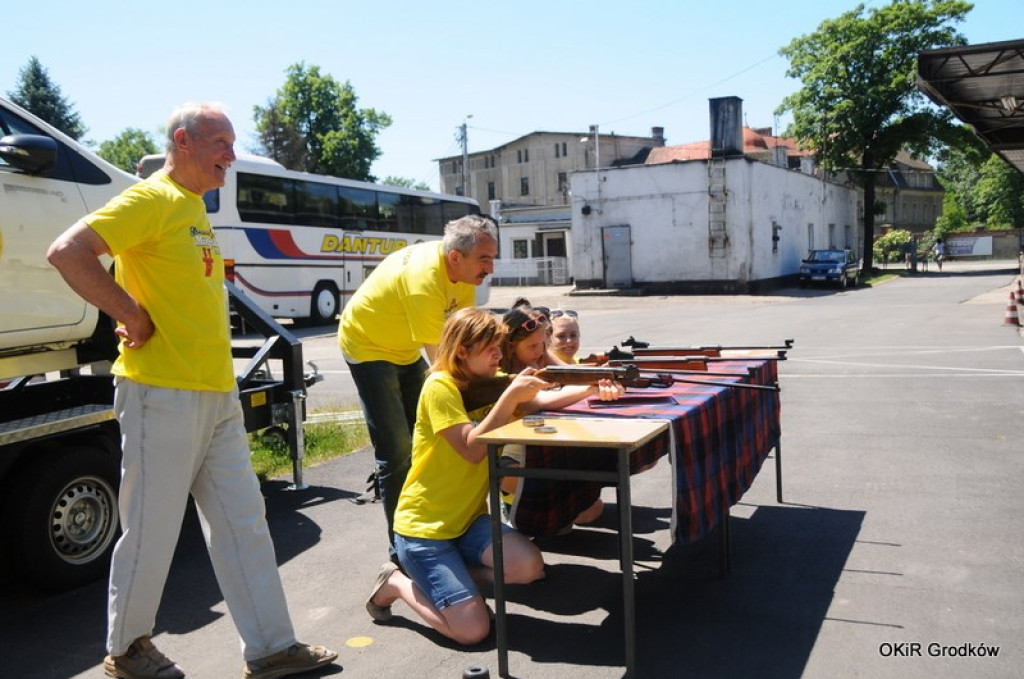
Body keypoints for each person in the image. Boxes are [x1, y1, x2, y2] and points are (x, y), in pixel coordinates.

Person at [46, 103, 336, 679]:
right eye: (221, 142)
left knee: (243, 523)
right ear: (183, 141)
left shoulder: (192, 208)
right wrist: (127, 312)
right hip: (161, 390)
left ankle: (272, 647)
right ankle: (126, 649)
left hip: (214, 394)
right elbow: (68, 252)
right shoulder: (151, 198)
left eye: (232, 142)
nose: (231, 153)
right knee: (151, 528)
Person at [364, 307, 623, 645]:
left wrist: (591, 387)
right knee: (472, 631)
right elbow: (472, 449)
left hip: (468, 521)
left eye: (500, 347)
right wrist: (511, 395)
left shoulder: (489, 383)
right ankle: (396, 583)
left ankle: (453, 583)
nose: (500, 356)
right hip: (423, 530)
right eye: (491, 349)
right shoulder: (439, 386)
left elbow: (542, 402)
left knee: (529, 568)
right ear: (462, 351)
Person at [338, 214, 498, 555]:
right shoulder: (424, 280)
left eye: (492, 259)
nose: (491, 269)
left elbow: (465, 341)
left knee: (425, 442)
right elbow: (447, 364)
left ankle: (431, 526)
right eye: (485, 260)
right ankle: (402, 550)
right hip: (368, 347)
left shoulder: (462, 273)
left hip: (405, 347)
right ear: (456, 257)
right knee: (396, 450)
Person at [499, 303, 604, 527]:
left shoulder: (538, 358)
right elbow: (537, 403)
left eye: (542, 345)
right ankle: (510, 508)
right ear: (511, 347)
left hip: (538, 449)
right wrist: (593, 388)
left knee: (592, 510)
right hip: (512, 459)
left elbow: (572, 375)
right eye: (532, 346)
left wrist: (603, 375)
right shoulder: (503, 377)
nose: (539, 351)